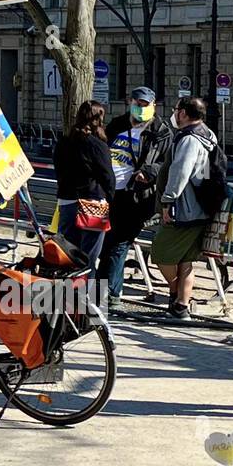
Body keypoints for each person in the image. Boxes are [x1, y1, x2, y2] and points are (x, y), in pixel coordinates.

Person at [97, 85, 173, 311]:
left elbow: (167, 164)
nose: (139, 108)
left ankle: (110, 295)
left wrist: (149, 172)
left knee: (119, 243)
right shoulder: (117, 125)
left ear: (153, 106)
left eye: (144, 105)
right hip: (110, 194)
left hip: (138, 198)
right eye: (136, 103)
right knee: (107, 244)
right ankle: (105, 294)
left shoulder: (161, 132)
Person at [150, 96, 220, 321]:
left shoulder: (190, 139)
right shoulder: (207, 134)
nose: (174, 113)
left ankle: (175, 294)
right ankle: (180, 307)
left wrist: (168, 201)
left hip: (185, 209)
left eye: (176, 109)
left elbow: (180, 172)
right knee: (185, 260)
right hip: (200, 207)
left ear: (183, 114)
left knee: (160, 253)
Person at [53, 100, 115, 270]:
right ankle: (84, 294)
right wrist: (110, 199)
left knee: (67, 255)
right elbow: (108, 177)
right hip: (92, 203)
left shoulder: (64, 142)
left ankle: (66, 294)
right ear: (99, 120)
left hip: (66, 201)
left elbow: (58, 171)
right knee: (88, 258)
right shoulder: (97, 145)